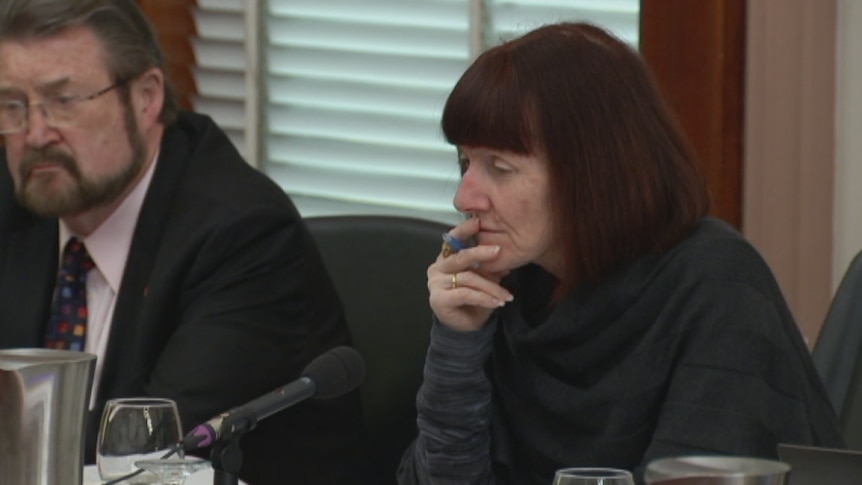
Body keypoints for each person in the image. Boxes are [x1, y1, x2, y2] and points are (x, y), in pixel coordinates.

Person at [397, 22, 844, 485]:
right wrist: (458, 346)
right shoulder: (510, 282)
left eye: (501, 168)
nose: (464, 197)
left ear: (591, 171)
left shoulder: (715, 284)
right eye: (465, 163)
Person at [0, 1, 373, 483]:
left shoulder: (244, 233)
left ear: (145, 97)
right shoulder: (17, 199)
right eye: (12, 105)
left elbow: (147, 446)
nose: (34, 133)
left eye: (64, 101)